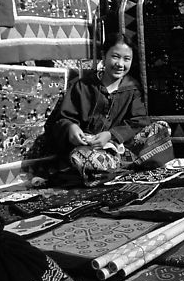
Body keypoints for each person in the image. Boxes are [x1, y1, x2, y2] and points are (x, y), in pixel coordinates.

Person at [49, 32, 174, 180]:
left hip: (120, 147)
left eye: (126, 59)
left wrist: (111, 135)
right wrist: (71, 128)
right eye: (115, 57)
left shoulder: (131, 88)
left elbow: (139, 121)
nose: (120, 64)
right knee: (82, 158)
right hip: (89, 148)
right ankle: (120, 167)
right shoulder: (83, 86)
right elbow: (62, 118)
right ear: (104, 56)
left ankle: (117, 166)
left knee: (160, 128)